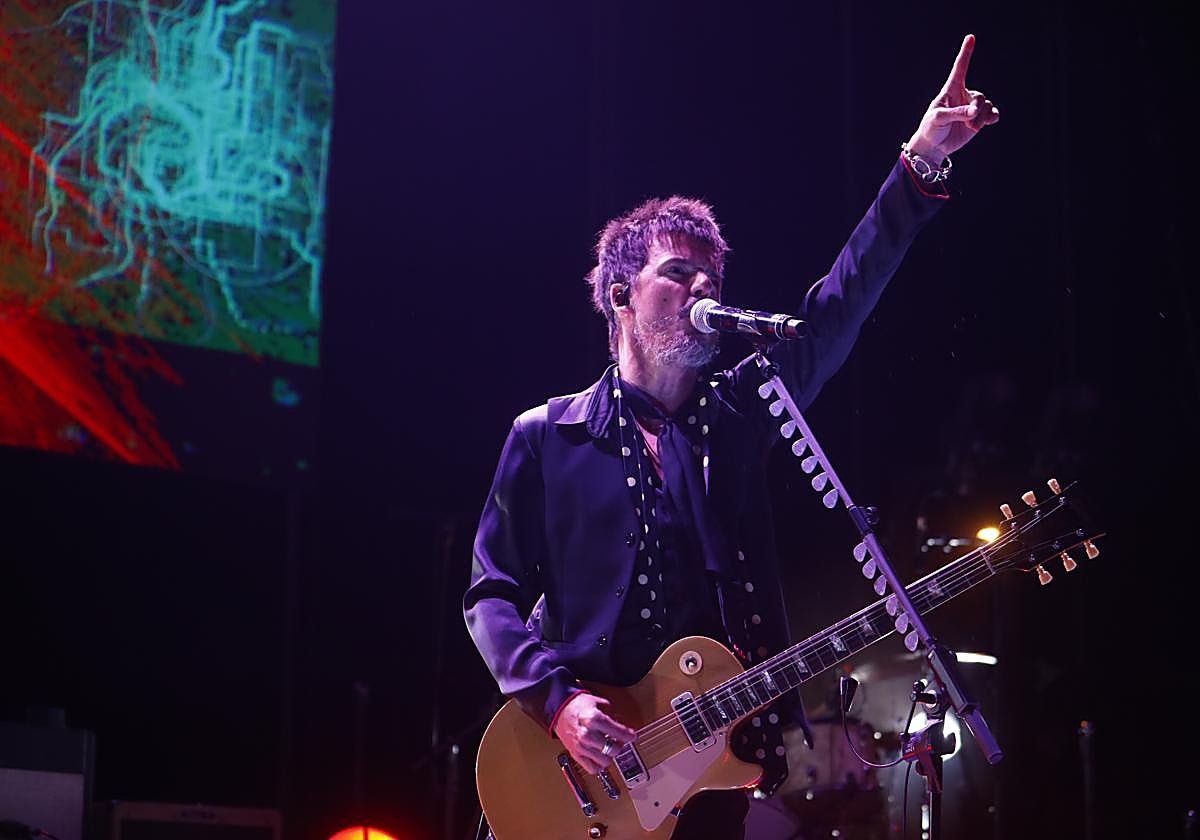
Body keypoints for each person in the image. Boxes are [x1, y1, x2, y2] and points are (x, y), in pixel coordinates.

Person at [464, 34, 999, 839]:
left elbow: (837, 307)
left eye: (712, 279)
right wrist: (558, 702)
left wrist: (919, 165)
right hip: (583, 773)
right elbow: (491, 594)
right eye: (678, 275)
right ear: (619, 295)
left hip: (712, 771)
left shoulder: (745, 409)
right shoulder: (548, 436)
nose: (702, 289)